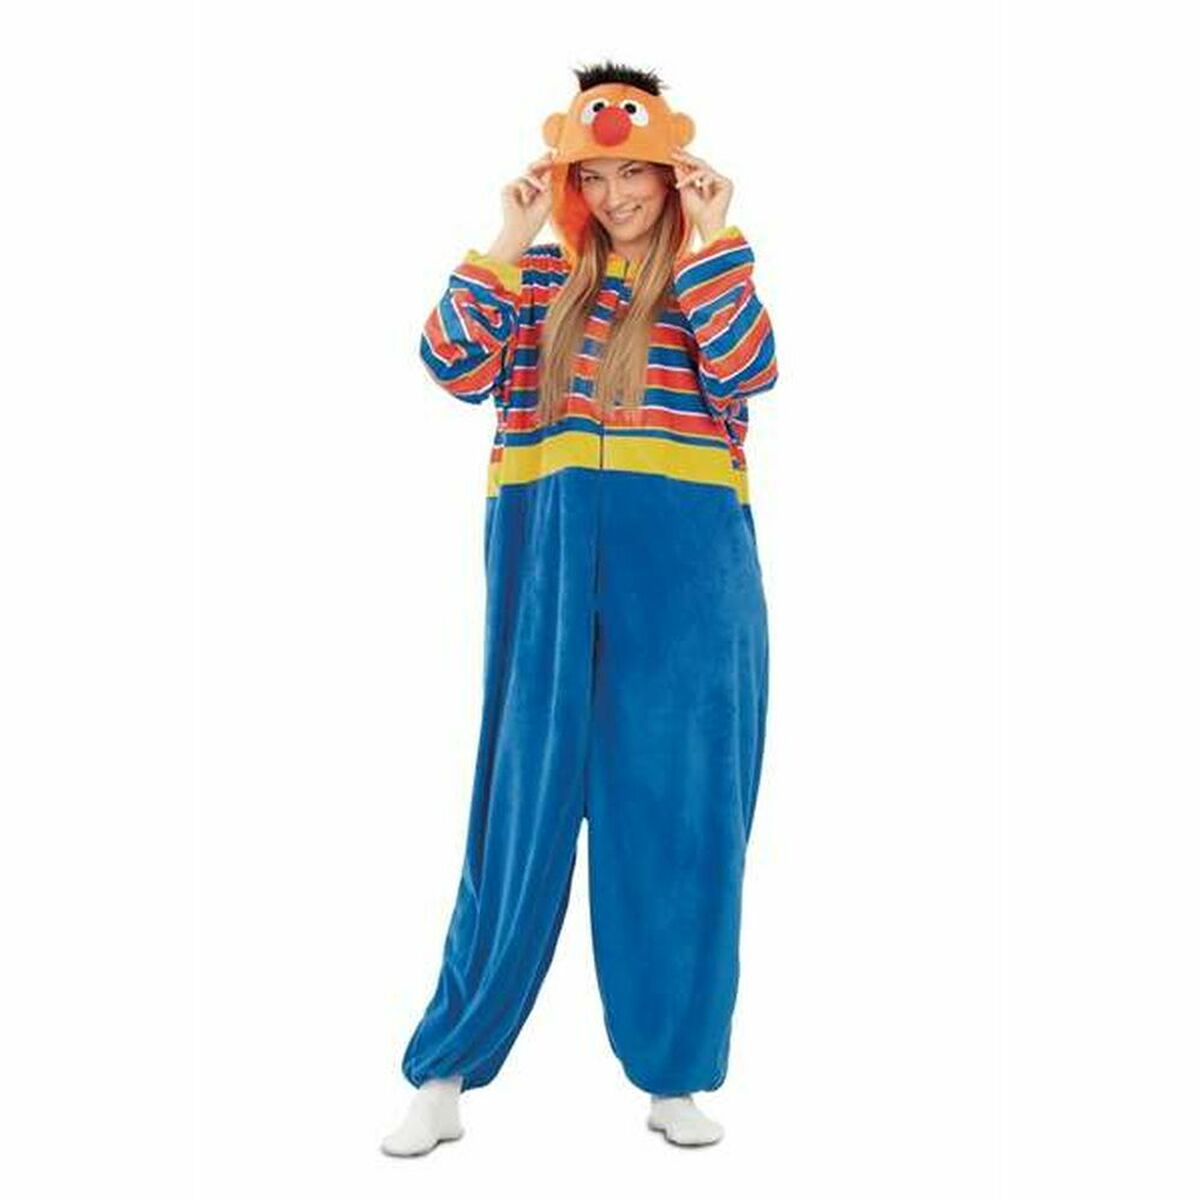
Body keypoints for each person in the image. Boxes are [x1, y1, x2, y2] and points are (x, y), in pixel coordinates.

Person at [382, 60, 778, 1156]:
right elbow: (449, 363)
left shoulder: (705, 277)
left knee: (682, 824)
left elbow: (752, 369)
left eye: (634, 173)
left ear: (671, 172)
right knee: (517, 817)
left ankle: (676, 1074)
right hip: (547, 567)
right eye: (593, 176)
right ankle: (446, 1070)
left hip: (690, 581)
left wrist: (714, 242)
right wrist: (504, 242)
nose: (615, 195)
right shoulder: (539, 282)